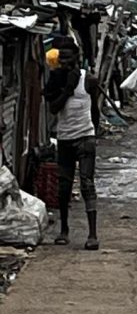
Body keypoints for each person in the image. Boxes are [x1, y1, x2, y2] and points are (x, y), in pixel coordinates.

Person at [44, 40, 100, 250]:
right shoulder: (56, 80)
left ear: (77, 57)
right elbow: (54, 108)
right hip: (65, 138)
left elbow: (95, 109)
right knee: (64, 186)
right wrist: (67, 88)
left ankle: (92, 234)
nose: (65, 62)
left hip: (85, 137)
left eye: (68, 58)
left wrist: (94, 134)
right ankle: (64, 230)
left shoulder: (89, 80)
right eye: (62, 58)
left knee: (87, 183)